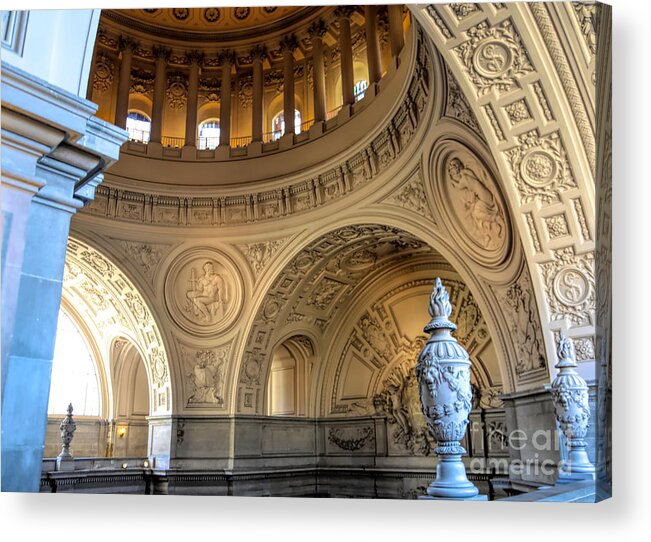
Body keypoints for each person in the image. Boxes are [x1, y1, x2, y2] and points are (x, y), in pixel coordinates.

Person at [447, 157, 504, 247]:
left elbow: (458, 186)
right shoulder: (467, 174)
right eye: (452, 174)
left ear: (458, 170)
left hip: (485, 198)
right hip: (486, 195)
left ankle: (494, 219)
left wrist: (452, 181)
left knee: (476, 213)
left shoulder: (463, 180)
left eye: (454, 173)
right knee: (475, 213)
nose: (454, 175)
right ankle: (486, 234)